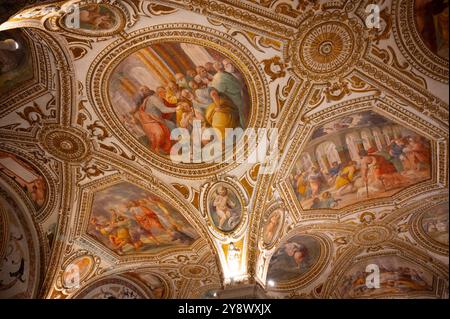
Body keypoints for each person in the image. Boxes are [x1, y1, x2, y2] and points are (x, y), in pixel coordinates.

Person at [133, 86, 177, 154]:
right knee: (162, 132)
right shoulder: (152, 98)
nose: (164, 93)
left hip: (156, 120)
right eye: (162, 92)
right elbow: (164, 110)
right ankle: (158, 149)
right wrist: (177, 108)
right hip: (152, 121)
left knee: (171, 125)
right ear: (158, 93)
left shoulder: (154, 99)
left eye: (165, 91)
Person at [210, 62, 245, 128]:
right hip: (232, 97)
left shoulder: (225, 72)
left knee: (242, 111)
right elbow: (219, 91)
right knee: (240, 113)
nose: (222, 65)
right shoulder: (218, 77)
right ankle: (244, 127)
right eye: (219, 64)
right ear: (216, 68)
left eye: (220, 64)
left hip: (237, 94)